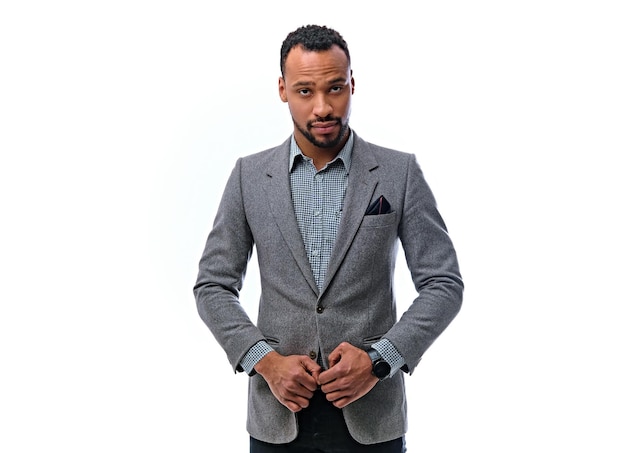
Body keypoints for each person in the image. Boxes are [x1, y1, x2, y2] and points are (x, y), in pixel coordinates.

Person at [193, 24, 463, 453]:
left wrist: (379, 361)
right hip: (277, 417)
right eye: (304, 92)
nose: (323, 107)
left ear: (352, 83)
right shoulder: (249, 177)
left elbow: (444, 284)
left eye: (336, 88)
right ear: (282, 90)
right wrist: (266, 361)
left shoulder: (399, 173)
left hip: (373, 419)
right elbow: (213, 286)